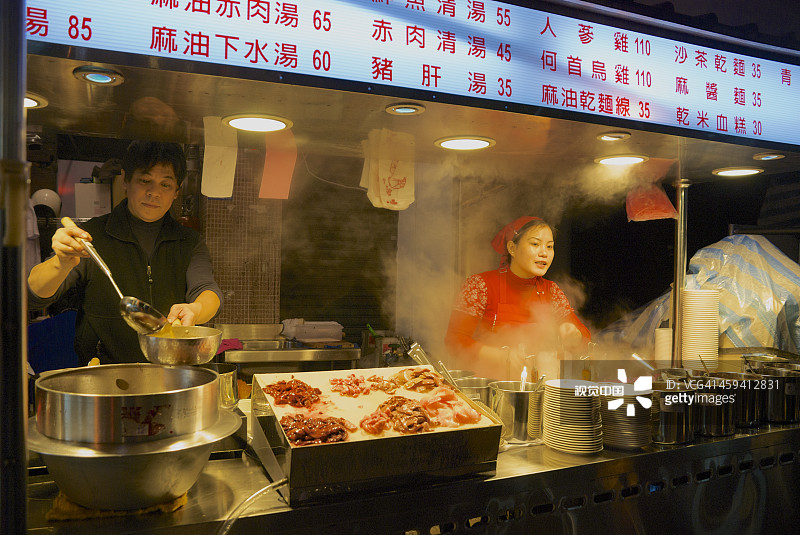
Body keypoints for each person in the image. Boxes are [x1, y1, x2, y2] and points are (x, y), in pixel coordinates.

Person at [28, 141, 222, 365]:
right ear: (125, 180)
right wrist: (60, 263)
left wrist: (196, 309)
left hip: (170, 374)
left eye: (165, 184)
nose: (154, 192)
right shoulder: (91, 236)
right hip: (104, 375)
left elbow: (208, 291)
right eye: (145, 180)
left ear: (177, 191)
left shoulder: (188, 241)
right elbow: (34, 295)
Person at [444, 216, 590, 381]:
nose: (544, 253)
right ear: (512, 248)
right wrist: (501, 356)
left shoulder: (551, 291)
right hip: (490, 386)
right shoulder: (480, 285)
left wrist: (574, 335)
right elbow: (454, 340)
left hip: (538, 386)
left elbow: (585, 339)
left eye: (549, 246)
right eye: (535, 244)